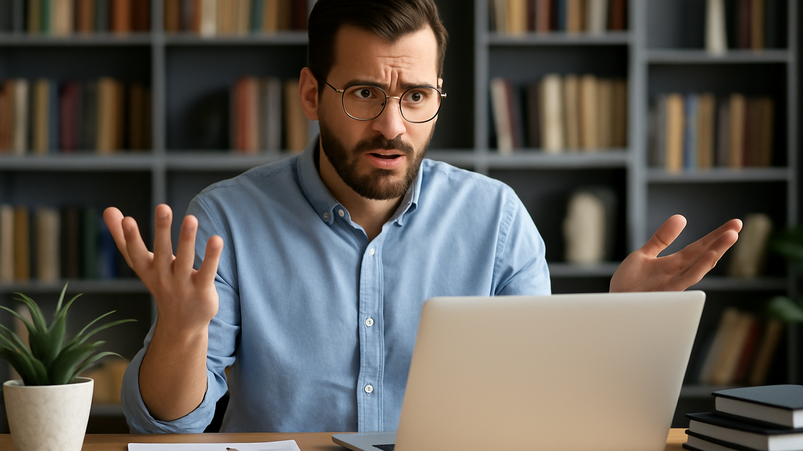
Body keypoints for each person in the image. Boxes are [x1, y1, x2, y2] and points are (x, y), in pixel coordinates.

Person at [105, 0, 742, 434]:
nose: (392, 126)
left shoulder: (496, 219)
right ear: (310, 94)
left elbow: (543, 416)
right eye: (363, 94)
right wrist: (182, 333)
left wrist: (618, 325)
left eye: (415, 96)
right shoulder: (227, 219)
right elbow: (169, 423)